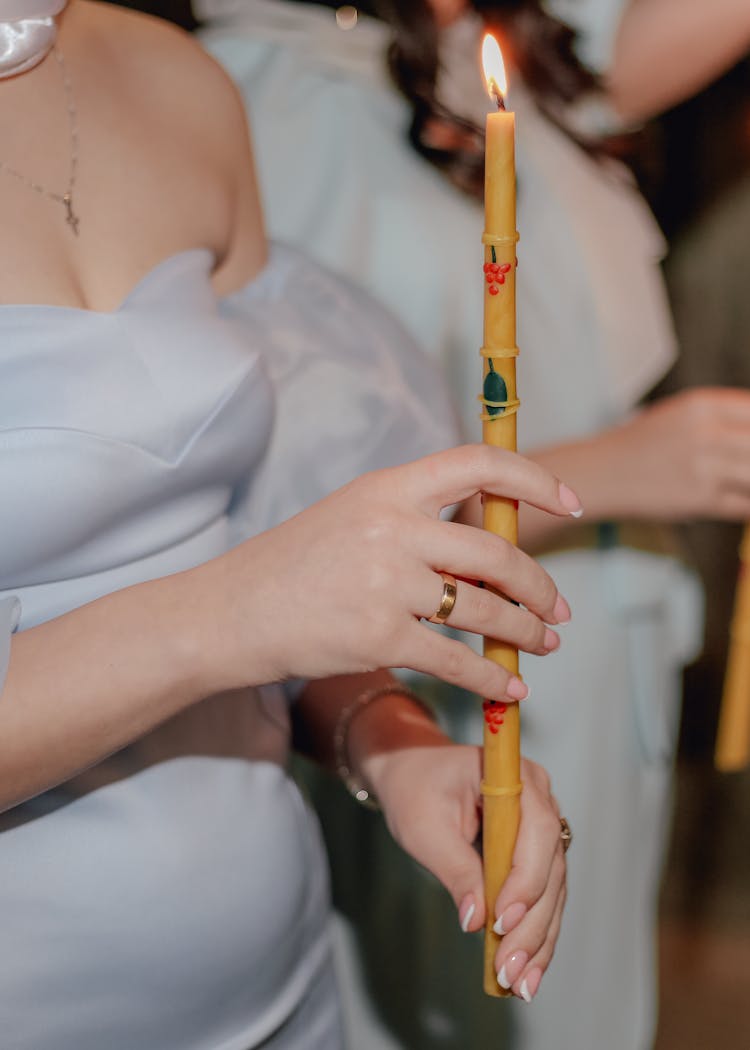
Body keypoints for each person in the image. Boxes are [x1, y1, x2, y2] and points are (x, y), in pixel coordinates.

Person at [0, 2, 584, 1048]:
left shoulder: (169, 76)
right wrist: (230, 612)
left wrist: (390, 743)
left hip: (278, 987)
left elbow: (253, 547)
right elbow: (245, 600)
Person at [196, 2, 750, 1048]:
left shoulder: (509, 58)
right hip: (438, 682)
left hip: (598, 659)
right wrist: (624, 468)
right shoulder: (269, 90)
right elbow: (296, 508)